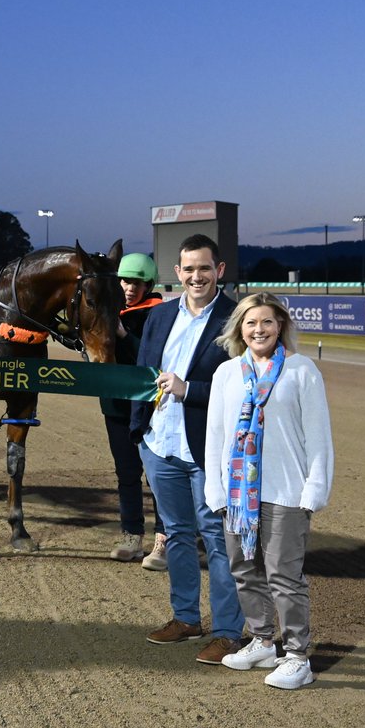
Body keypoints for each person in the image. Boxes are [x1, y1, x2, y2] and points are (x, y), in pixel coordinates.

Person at [204, 293, 334, 689]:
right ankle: (262, 641)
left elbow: (319, 435)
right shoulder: (226, 373)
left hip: (286, 492)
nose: (258, 329)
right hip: (239, 496)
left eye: (266, 322)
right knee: (244, 570)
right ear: (239, 329)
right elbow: (216, 435)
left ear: (280, 326)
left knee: (284, 576)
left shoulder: (300, 370)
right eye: (250, 322)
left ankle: (297, 656)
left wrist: (314, 489)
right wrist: (216, 486)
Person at [130, 234, 244, 664]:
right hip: (159, 445)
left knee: (217, 538)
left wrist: (189, 389)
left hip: (209, 450)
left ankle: (229, 632)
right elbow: (142, 376)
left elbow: (243, 387)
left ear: (219, 270)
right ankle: (185, 618)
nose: (196, 276)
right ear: (177, 273)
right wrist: (139, 433)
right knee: (176, 534)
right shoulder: (159, 317)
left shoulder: (237, 318)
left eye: (204, 268)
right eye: (188, 269)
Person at [99, 253, 166, 565]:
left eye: (136, 283)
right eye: (125, 281)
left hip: (151, 408)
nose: (129, 288)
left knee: (157, 476)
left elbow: (149, 358)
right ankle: (131, 534)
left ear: (148, 285)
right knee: (126, 473)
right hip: (114, 404)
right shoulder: (104, 312)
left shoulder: (160, 315)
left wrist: (123, 334)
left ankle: (164, 539)